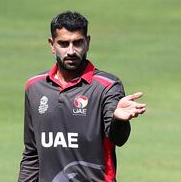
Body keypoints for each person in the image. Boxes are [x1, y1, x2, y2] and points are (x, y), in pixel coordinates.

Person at [18, 11, 146, 182]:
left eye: (77, 43)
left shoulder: (107, 86)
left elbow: (118, 138)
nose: (71, 51)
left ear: (88, 42)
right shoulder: (35, 88)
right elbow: (32, 154)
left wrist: (119, 120)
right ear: (51, 44)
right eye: (63, 44)